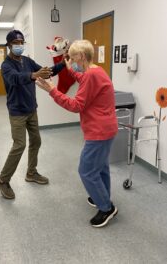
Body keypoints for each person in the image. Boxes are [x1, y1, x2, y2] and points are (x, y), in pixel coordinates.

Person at [36, 39, 118, 228]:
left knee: (87, 171)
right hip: (107, 128)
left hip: (99, 131)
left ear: (81, 56)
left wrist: (52, 90)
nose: (71, 61)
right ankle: (101, 197)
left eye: (72, 58)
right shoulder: (96, 70)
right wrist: (68, 67)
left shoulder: (90, 75)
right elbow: (81, 78)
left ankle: (106, 208)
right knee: (101, 167)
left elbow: (76, 106)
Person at [0, 29, 66, 199]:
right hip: (17, 112)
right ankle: (3, 180)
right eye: (15, 43)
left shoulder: (27, 60)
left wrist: (64, 62)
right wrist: (34, 75)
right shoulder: (6, 66)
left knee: (36, 141)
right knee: (19, 145)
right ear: (9, 45)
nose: (19, 46)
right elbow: (15, 79)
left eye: (21, 43)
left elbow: (47, 72)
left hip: (31, 109)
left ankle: (31, 173)